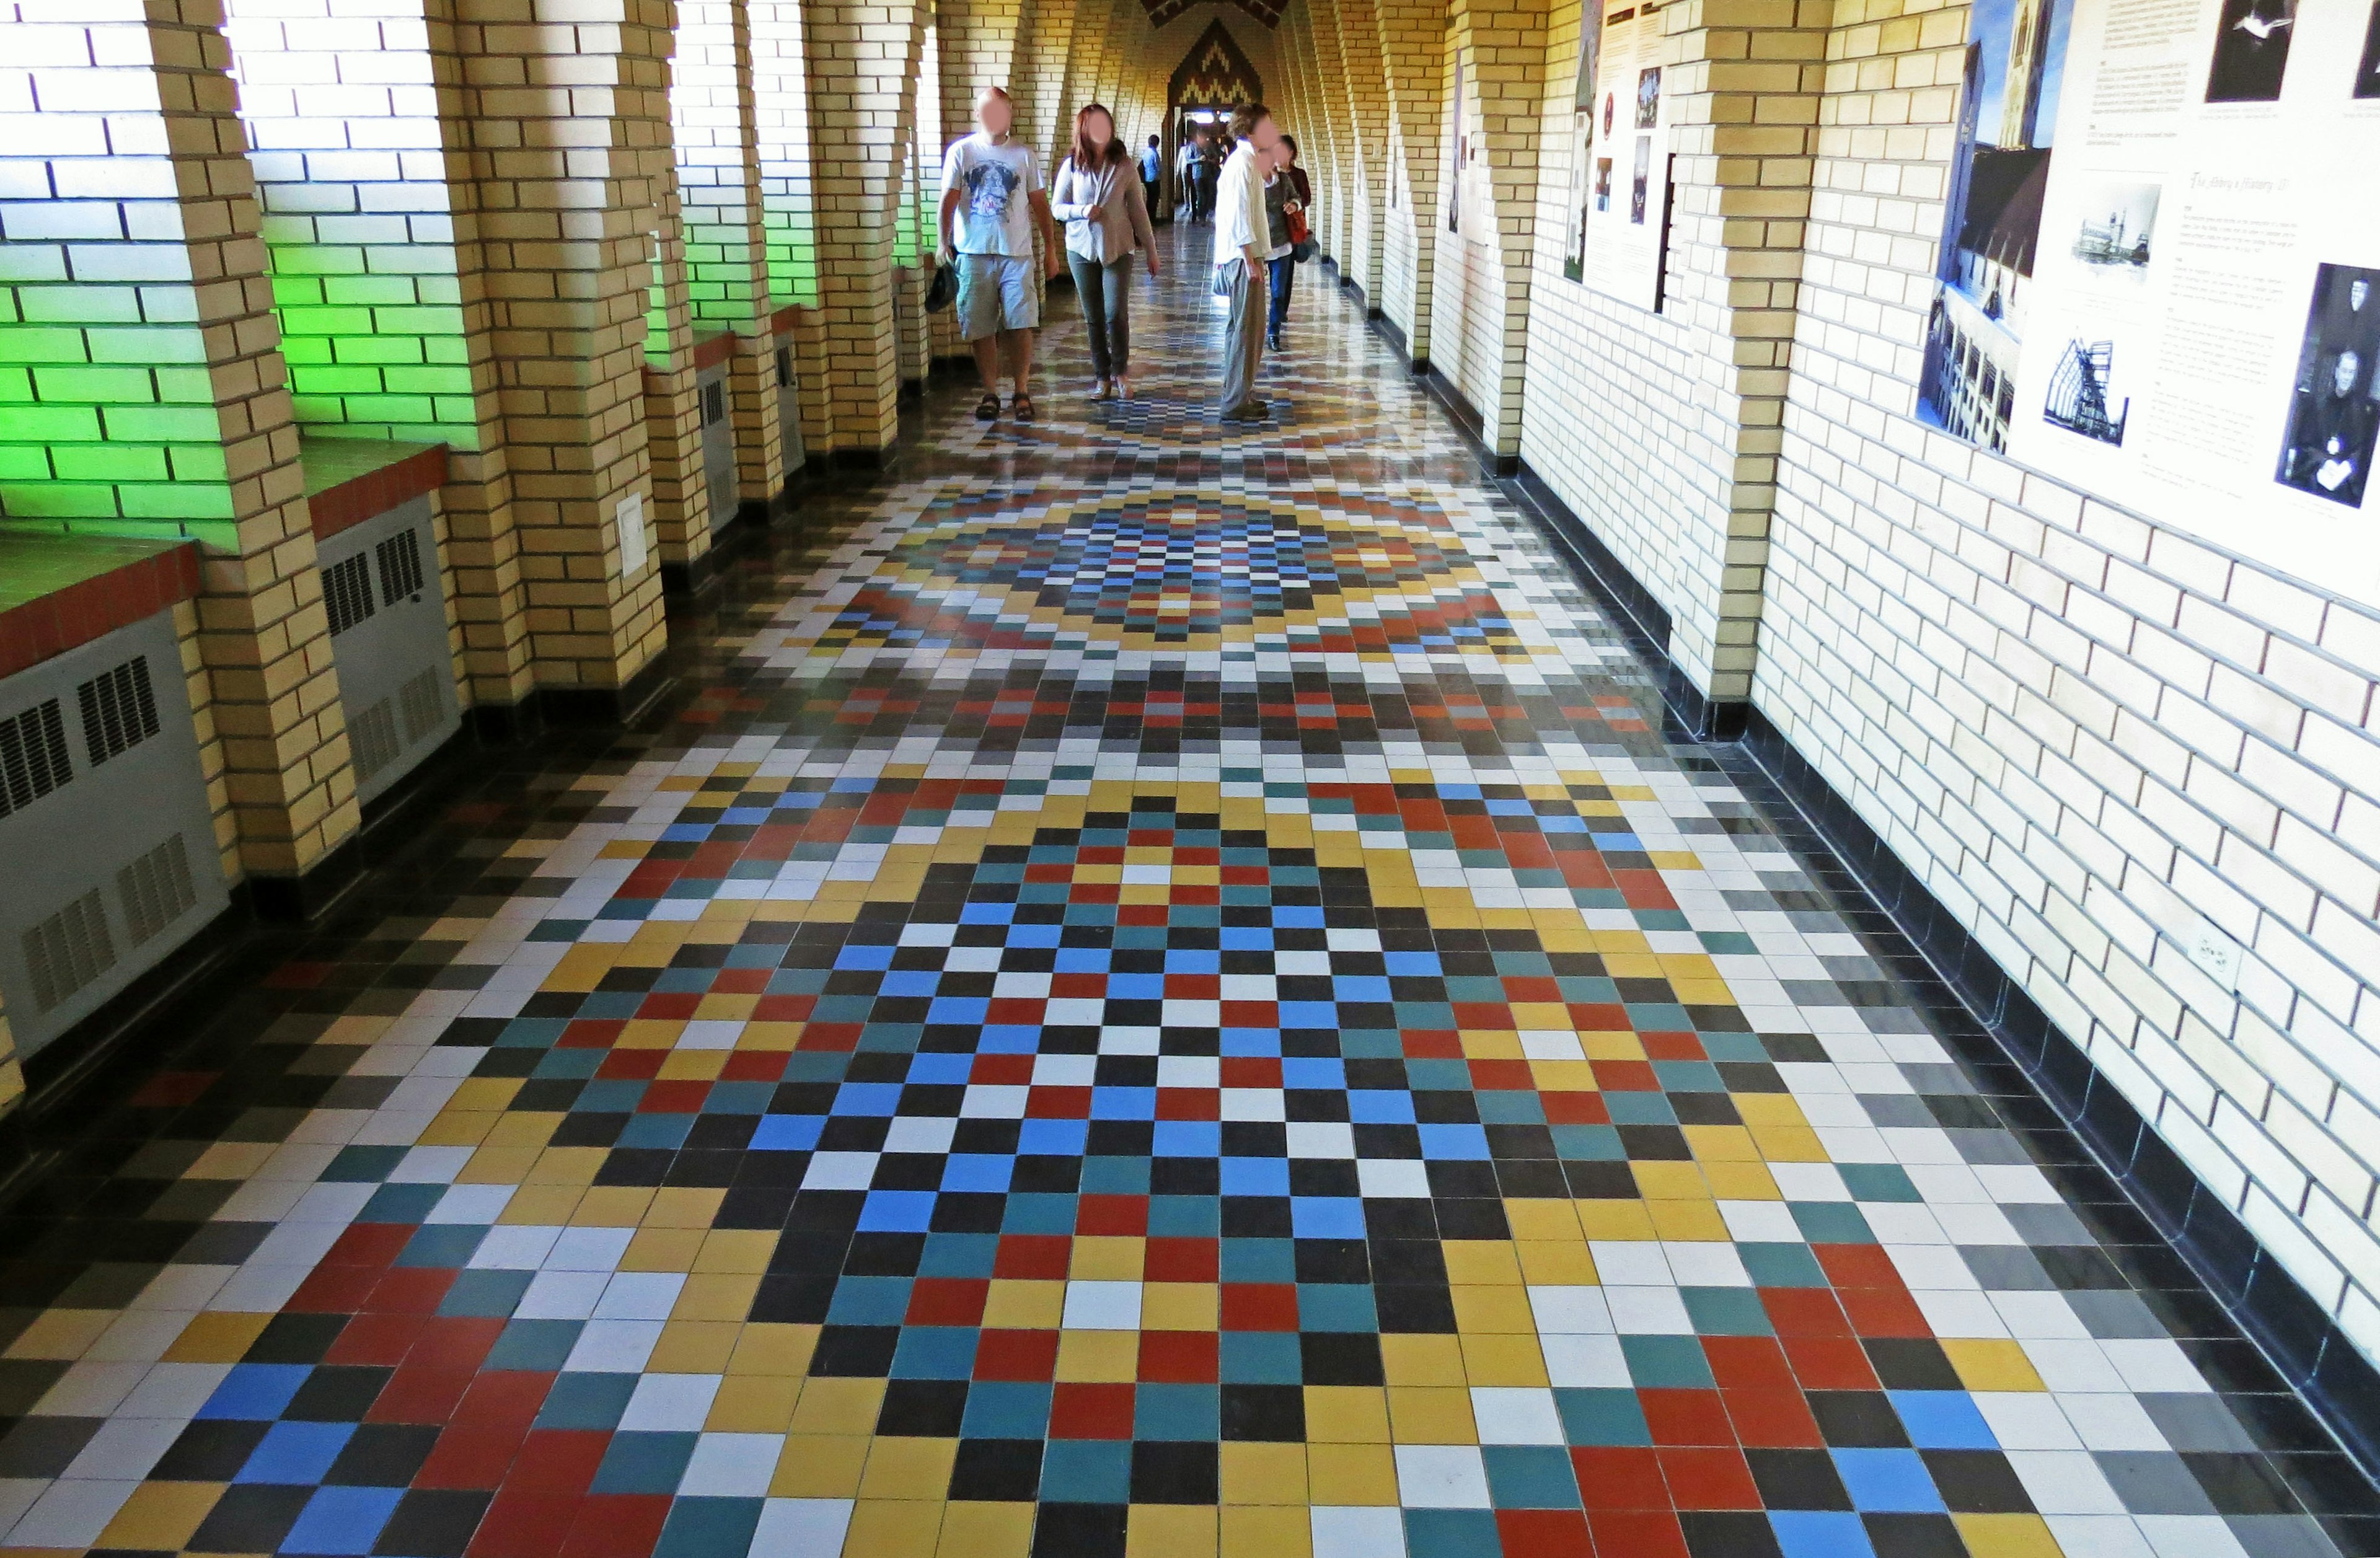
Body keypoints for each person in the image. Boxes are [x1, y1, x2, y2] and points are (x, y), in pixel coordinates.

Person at [938, 86, 1062, 421]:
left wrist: (1051, 249)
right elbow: (948, 199)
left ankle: (1021, 390)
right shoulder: (962, 152)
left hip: (1016, 254)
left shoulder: (1024, 155)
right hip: (974, 253)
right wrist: (942, 240)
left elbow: (1040, 204)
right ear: (978, 115)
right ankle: (990, 391)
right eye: (988, 111)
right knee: (980, 326)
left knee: (1020, 324)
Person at [1052, 104, 1161, 400]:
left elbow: (1139, 211)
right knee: (1094, 316)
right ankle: (1102, 377)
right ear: (1083, 131)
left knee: (1115, 313)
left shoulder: (1124, 166)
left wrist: (1151, 251)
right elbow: (1057, 207)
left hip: (1118, 248)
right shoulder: (1072, 165)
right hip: (1081, 249)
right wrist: (1082, 210)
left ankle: (1121, 371)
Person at [1212, 102, 1282, 422]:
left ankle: (1238, 393)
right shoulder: (1242, 164)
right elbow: (1239, 216)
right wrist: (1250, 259)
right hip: (1244, 260)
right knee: (1247, 332)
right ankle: (1236, 401)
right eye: (1267, 126)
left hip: (1242, 257)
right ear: (1251, 130)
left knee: (1240, 330)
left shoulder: (1247, 162)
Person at [1259, 143, 1295, 354]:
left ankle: (1274, 332)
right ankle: (1254, 332)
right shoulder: (1252, 182)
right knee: (1255, 295)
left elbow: (1297, 198)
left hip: (1282, 245)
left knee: (1278, 292)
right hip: (1259, 247)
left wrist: (1294, 205)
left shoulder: (1283, 181)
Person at [1139, 134, 1165, 224]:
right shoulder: (1154, 153)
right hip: (1155, 178)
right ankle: (1152, 219)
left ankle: (1148, 219)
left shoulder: (1146, 152)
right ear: (1157, 143)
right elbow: (1158, 167)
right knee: (1155, 200)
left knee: (1149, 199)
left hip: (1147, 178)